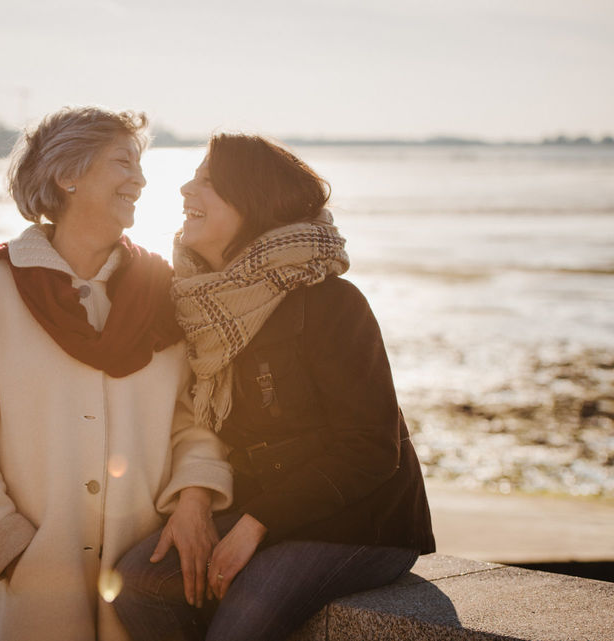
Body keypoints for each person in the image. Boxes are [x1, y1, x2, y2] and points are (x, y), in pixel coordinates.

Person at [0, 107, 233, 641]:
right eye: (122, 162)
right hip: (37, 580)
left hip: (144, 570)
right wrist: (10, 548)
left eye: (140, 165)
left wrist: (195, 497)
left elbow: (194, 420)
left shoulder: (165, 291)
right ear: (68, 175)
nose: (139, 179)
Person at [113, 134, 435, 641]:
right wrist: (195, 499)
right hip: (271, 511)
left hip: (365, 525)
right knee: (139, 580)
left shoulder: (332, 303)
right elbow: (201, 424)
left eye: (207, 182)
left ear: (250, 203)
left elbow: (371, 451)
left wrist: (255, 523)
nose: (183, 189)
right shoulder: (201, 307)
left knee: (242, 613)